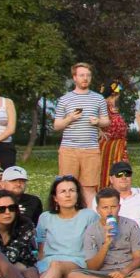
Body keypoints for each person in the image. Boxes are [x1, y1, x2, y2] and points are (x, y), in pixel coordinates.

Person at [35, 177, 111, 278]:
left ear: (78, 194)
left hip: (77, 262)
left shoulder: (89, 216)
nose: (68, 195)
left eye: (72, 190)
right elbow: (41, 248)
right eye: (63, 191)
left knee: (57, 265)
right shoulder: (45, 217)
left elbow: (96, 245)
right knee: (48, 269)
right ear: (55, 198)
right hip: (48, 262)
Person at [53, 65, 109, 199]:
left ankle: (89, 212)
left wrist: (98, 122)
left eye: (88, 75)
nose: (85, 78)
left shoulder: (98, 98)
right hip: (69, 150)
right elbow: (56, 125)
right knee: (68, 187)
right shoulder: (64, 99)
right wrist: (69, 118)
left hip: (91, 149)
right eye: (82, 75)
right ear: (74, 78)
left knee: (89, 188)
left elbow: (106, 121)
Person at [87, 191, 140, 278]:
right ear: (98, 209)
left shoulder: (131, 225)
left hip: (127, 270)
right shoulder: (91, 230)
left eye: (113, 207)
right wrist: (106, 244)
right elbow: (92, 267)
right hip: (102, 273)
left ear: (119, 207)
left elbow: (139, 258)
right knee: (72, 276)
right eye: (105, 207)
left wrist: (124, 272)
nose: (109, 211)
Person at [102, 159, 140, 243]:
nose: (124, 177)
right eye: (119, 174)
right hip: (113, 245)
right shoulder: (102, 198)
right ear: (111, 179)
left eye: (127, 174)